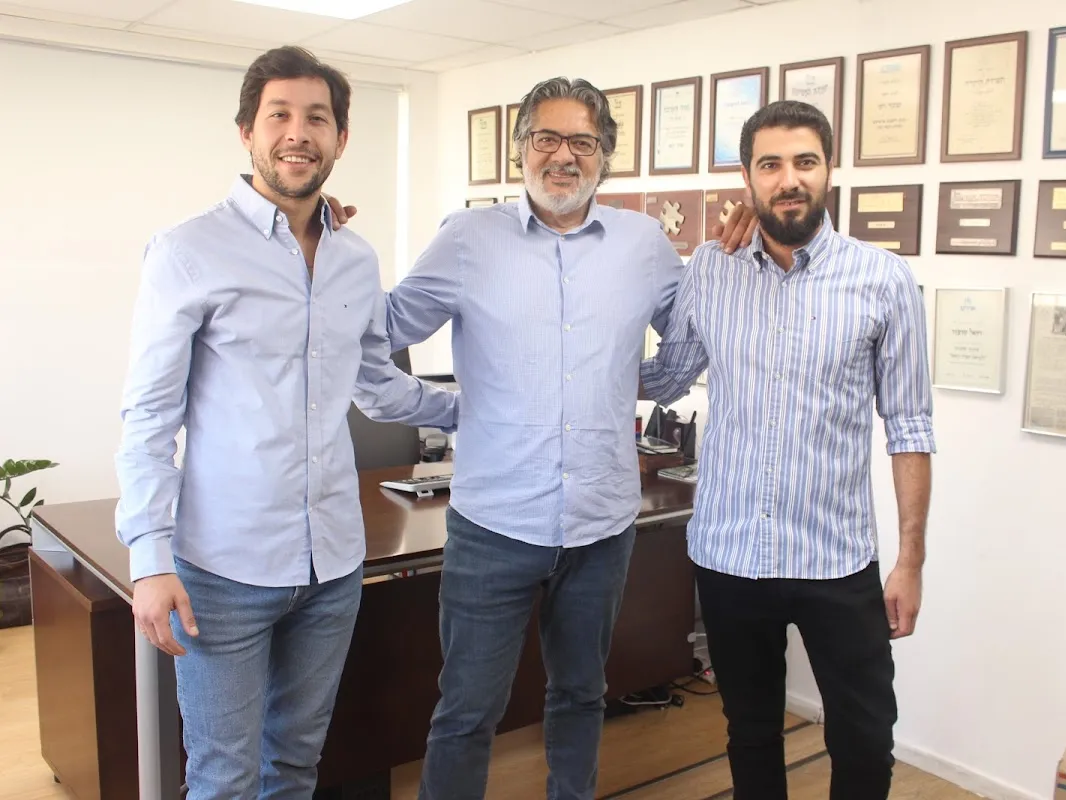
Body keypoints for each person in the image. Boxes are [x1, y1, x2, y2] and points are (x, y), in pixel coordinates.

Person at [374, 77, 751, 799]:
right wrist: (445, 409)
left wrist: (634, 372)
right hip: (493, 524)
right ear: (521, 149)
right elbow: (382, 331)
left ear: (604, 154)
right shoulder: (467, 239)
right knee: (467, 712)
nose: (563, 156)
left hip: (600, 527)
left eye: (582, 141)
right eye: (546, 138)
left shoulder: (643, 243)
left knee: (581, 695)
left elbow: (681, 358)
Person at [113, 45, 458, 799]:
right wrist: (149, 558)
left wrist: (477, 410)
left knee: (296, 767)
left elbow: (378, 386)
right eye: (280, 115)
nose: (298, 133)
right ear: (247, 131)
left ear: (340, 138)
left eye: (317, 118)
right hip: (223, 570)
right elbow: (148, 417)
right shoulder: (188, 252)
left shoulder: (354, 258)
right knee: (225, 778)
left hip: (332, 567)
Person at [639, 99, 935, 800]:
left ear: (829, 170)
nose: (789, 179)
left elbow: (910, 427)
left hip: (836, 556)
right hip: (731, 552)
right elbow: (667, 377)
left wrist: (911, 560)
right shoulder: (711, 268)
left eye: (805, 161)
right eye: (770, 164)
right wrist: (581, 334)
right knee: (749, 733)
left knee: (865, 737)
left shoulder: (882, 279)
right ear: (747, 178)